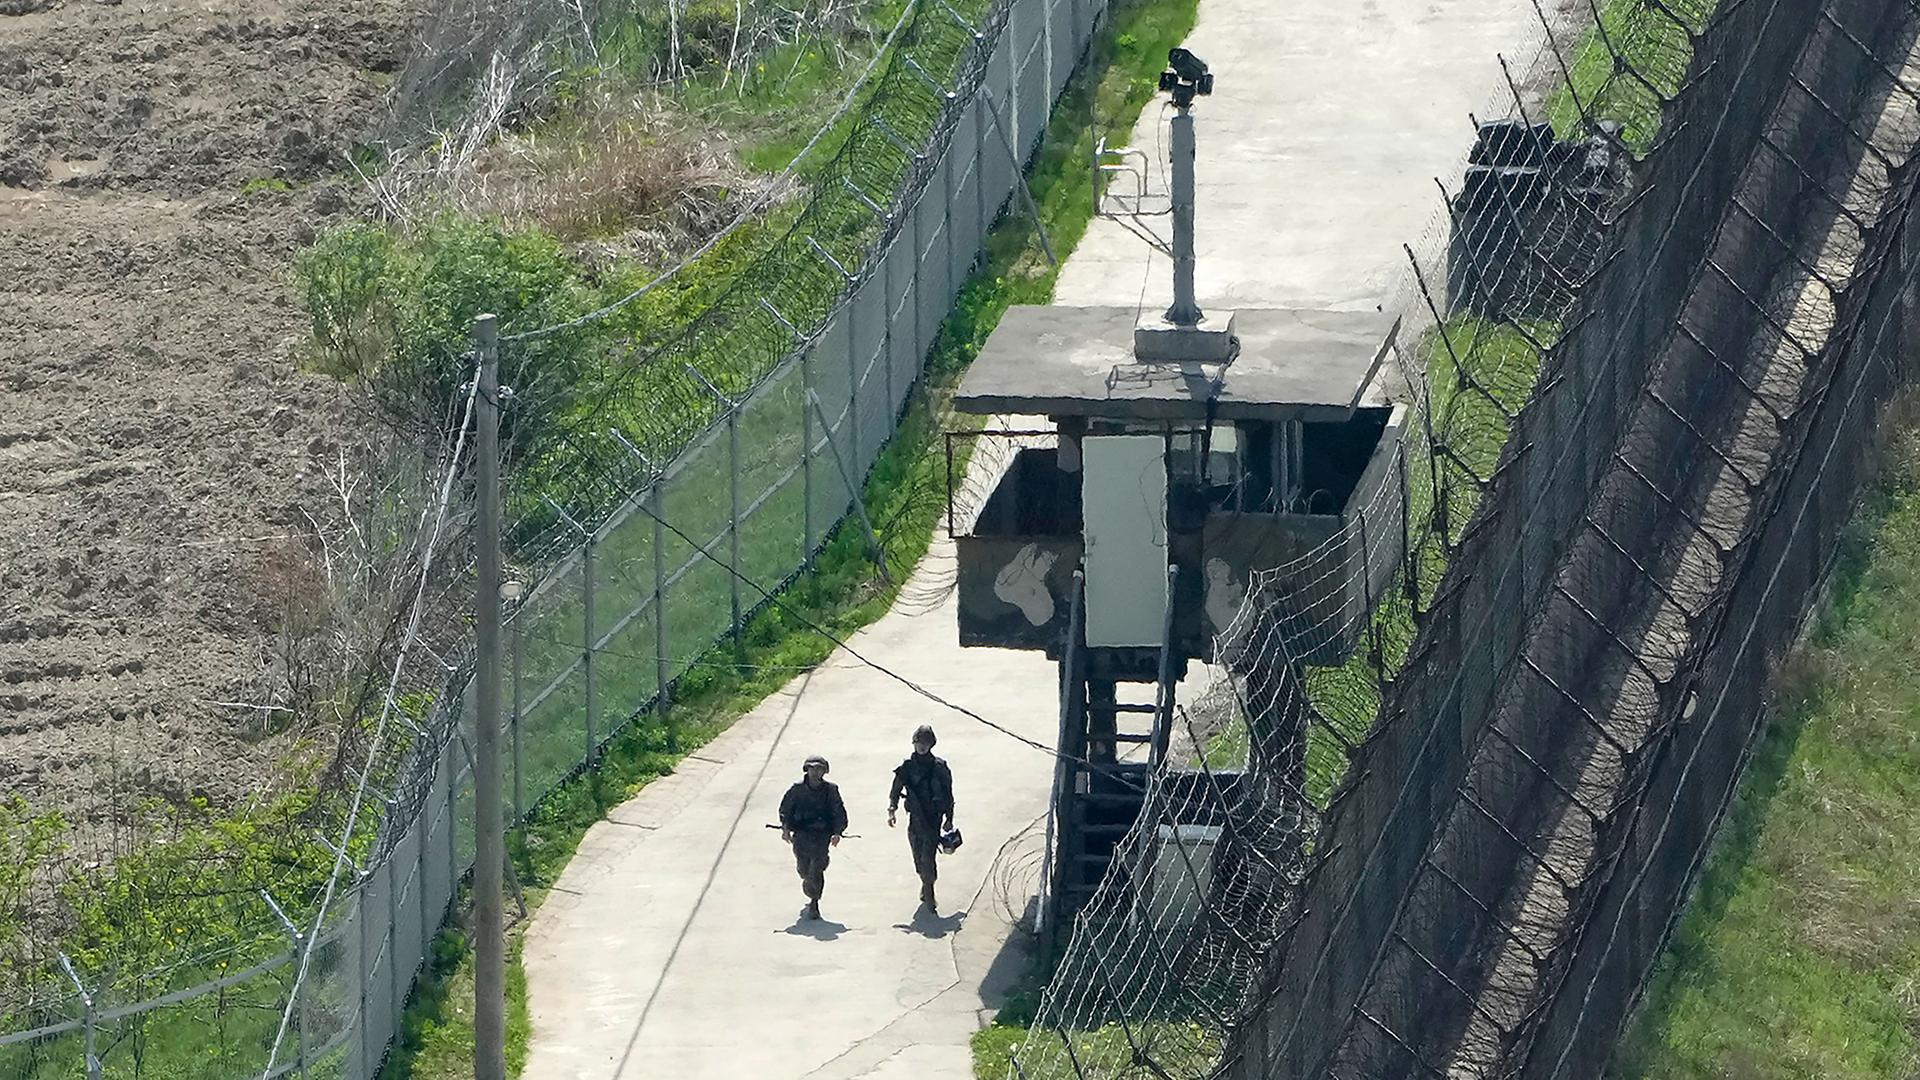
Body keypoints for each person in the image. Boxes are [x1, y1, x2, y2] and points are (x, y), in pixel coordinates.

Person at [888, 725, 955, 913]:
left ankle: (930, 891)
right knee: (918, 860)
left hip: (933, 819)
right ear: (914, 743)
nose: (922, 747)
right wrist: (892, 808)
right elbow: (896, 789)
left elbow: (948, 793)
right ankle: (925, 884)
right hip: (915, 819)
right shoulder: (907, 767)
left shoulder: (939, 767)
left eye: (926, 743)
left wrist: (949, 818)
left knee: (928, 858)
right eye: (919, 743)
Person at [779, 754, 848, 920]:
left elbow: (838, 811)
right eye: (812, 768)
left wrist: (838, 832)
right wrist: (786, 828)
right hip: (801, 834)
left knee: (816, 868)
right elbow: (785, 809)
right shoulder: (797, 789)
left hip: (822, 834)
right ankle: (808, 882)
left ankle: (814, 901)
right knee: (804, 868)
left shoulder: (831, 790)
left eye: (819, 769)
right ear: (806, 770)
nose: (815, 772)